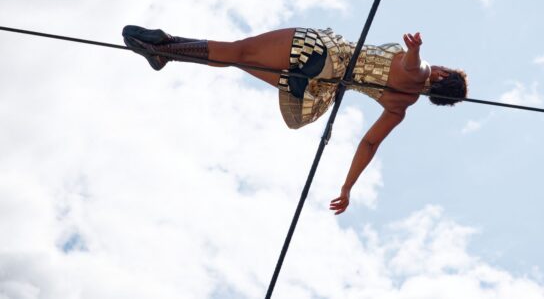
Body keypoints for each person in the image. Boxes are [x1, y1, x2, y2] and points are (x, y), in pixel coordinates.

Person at [122, 25, 468, 214]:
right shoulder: (400, 106)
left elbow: (414, 68)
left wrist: (415, 51)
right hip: (322, 77)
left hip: (317, 45)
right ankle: (166, 50)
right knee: (264, 82)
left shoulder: (422, 72)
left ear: (440, 77)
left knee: (238, 51)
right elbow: (369, 144)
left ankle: (166, 46)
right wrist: (347, 188)